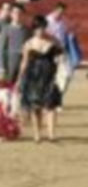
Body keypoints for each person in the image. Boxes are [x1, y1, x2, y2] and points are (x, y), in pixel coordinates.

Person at [18, 15, 63, 143]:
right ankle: (37, 135)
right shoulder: (28, 44)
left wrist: (58, 69)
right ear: (34, 29)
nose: (40, 31)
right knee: (35, 106)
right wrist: (18, 79)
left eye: (42, 28)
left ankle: (51, 134)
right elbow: (24, 63)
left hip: (49, 76)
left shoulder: (53, 41)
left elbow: (61, 56)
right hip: (33, 77)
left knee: (51, 105)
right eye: (38, 28)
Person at [0, 3, 29, 85]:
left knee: (22, 86)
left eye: (19, 13)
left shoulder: (26, 30)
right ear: (11, 14)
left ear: (23, 14)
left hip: (24, 61)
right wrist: (2, 66)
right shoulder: (6, 29)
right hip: (10, 62)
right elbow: (1, 48)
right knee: (8, 87)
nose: (17, 15)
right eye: (15, 12)